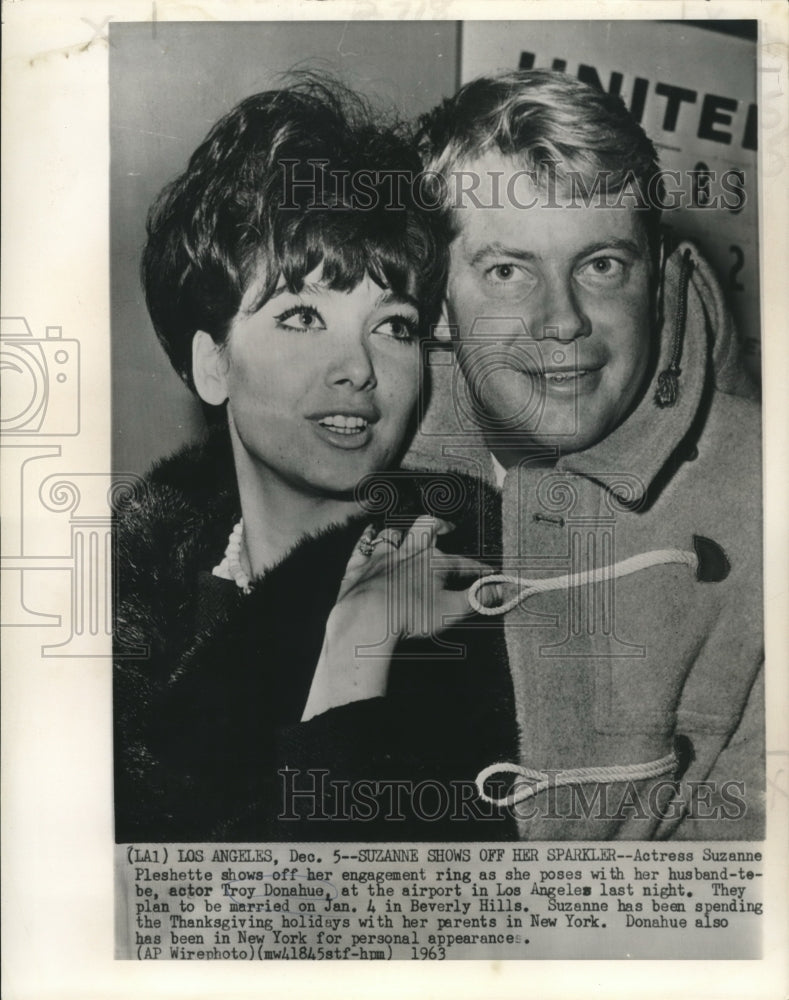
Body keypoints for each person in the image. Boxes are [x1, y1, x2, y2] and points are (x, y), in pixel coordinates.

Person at [113, 80, 516, 843]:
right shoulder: (132, 591)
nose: (358, 369)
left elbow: (376, 935)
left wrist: (355, 661)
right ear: (213, 365)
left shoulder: (471, 589)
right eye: (302, 316)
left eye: (392, 326)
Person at [413, 70, 763, 840]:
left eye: (600, 265)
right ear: (437, 298)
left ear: (657, 278)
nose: (562, 320)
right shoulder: (353, 461)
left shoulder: (766, 497)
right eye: (507, 272)